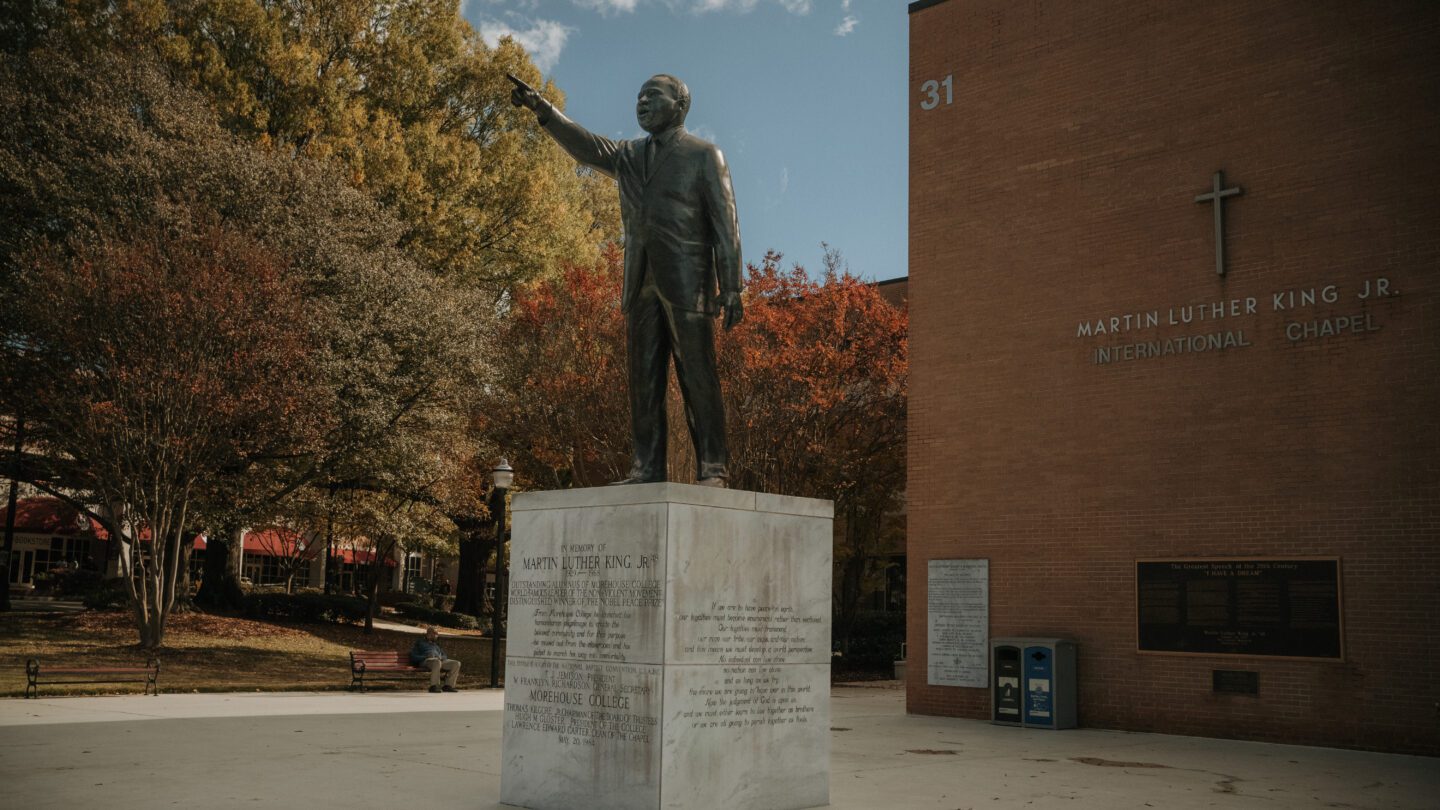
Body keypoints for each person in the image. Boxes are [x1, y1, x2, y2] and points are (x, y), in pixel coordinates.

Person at [511, 73, 743, 486]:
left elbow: (727, 224)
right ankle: (647, 467)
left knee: (698, 377)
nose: (642, 102)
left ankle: (714, 467)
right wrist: (543, 111)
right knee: (644, 381)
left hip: (689, 283)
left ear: (680, 104)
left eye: (653, 95)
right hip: (640, 283)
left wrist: (733, 286)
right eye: (638, 96)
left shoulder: (705, 155)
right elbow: (585, 146)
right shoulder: (628, 155)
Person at [409, 626, 461, 693]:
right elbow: (413, 656)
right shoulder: (420, 643)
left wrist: (441, 658)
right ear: (429, 634)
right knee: (437, 662)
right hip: (426, 661)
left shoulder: (435, 645)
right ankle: (434, 686)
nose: (437, 635)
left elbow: (444, 655)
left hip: (438, 661)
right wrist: (425, 657)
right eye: (436, 633)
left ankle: (448, 686)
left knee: (456, 663)